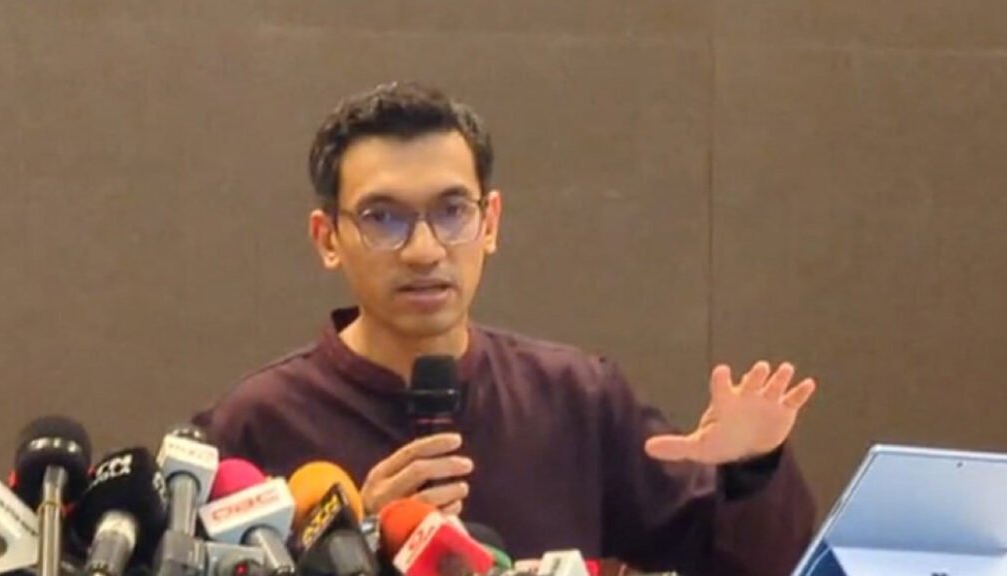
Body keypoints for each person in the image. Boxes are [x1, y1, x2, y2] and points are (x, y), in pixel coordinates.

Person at [192, 82, 818, 575]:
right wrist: (353, 538)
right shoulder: (258, 423)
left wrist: (751, 469)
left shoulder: (578, 399)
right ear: (328, 238)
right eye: (383, 219)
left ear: (490, 223)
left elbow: (749, 565)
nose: (424, 250)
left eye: (452, 212)